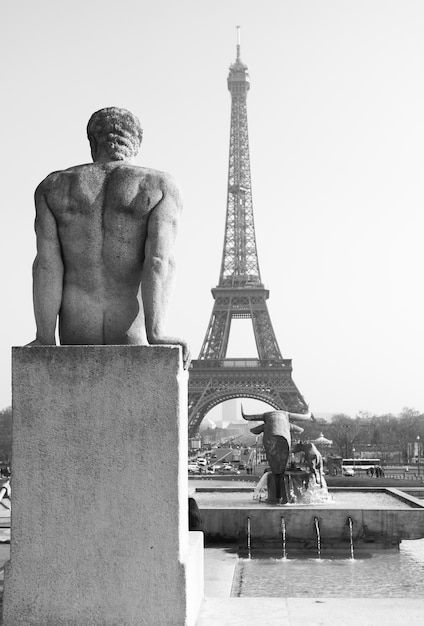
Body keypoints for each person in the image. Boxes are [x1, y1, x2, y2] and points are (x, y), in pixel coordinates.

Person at [28, 107, 190, 368]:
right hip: (131, 331)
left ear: (93, 142)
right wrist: (156, 333)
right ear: (136, 143)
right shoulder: (160, 186)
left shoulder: (52, 186)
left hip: (76, 331)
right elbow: (159, 261)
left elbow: (45, 266)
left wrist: (43, 337)